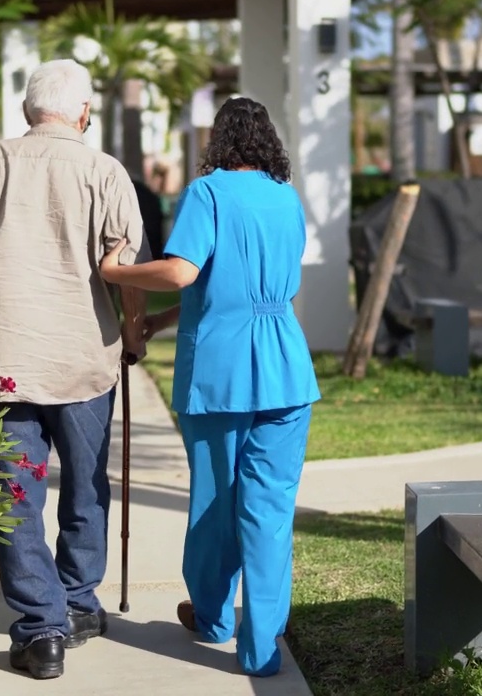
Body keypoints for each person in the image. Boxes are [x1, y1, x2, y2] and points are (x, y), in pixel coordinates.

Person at [0, 58, 150, 681]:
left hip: (2, 361)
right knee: (86, 486)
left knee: (14, 496)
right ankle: (77, 602)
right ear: (83, 113)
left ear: (29, 110)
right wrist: (132, 333)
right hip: (84, 360)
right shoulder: (107, 172)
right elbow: (127, 270)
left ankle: (41, 631)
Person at [99, 96, 321, 677]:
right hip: (286, 371)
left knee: (216, 505)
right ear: (268, 141)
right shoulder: (286, 197)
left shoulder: (209, 192)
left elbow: (182, 272)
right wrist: (165, 320)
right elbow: (254, 289)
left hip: (221, 375)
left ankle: (215, 617)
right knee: (269, 513)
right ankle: (262, 650)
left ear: (219, 140)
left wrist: (116, 272)